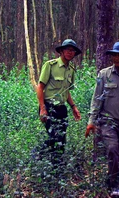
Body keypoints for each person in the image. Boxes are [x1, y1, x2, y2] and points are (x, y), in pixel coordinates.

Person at [85, 41, 119, 197]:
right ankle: (117, 186)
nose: (116, 58)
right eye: (114, 55)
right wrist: (91, 121)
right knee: (113, 150)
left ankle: (112, 179)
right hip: (108, 122)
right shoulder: (104, 74)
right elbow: (97, 99)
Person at [36, 39, 82, 167]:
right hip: (49, 107)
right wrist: (42, 108)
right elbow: (40, 87)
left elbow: (66, 92)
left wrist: (73, 107)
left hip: (62, 109)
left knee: (62, 138)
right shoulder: (50, 65)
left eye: (72, 50)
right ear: (61, 51)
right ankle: (43, 160)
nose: (70, 52)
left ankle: (58, 166)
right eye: (67, 49)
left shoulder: (71, 70)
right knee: (54, 136)